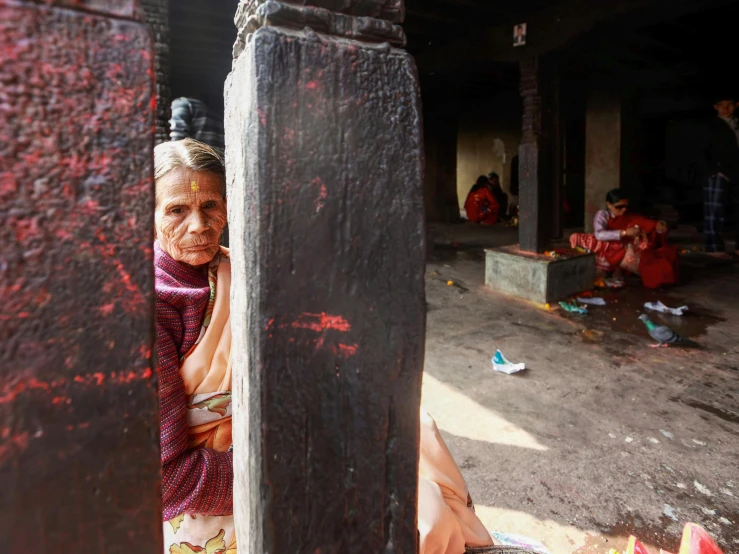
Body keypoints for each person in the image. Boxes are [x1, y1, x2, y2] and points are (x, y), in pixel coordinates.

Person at [154, 139, 511, 554]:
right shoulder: (151, 308)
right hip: (218, 489)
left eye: (211, 206)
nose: (198, 224)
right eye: (177, 210)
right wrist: (297, 472)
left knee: (412, 427)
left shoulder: (239, 267)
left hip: (272, 440)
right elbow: (168, 478)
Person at [569, 189, 679, 289]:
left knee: (648, 260)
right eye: (619, 207)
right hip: (605, 244)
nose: (623, 210)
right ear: (609, 205)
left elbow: (647, 223)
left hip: (623, 247)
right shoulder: (603, 214)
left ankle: (616, 269)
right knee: (576, 238)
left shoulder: (629, 216)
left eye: (626, 206)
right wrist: (624, 233)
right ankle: (603, 268)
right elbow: (599, 234)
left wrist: (659, 225)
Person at [699, 94, 739, 257]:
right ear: (715, 107)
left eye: (729, 104)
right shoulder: (710, 125)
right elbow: (699, 150)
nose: (725, 109)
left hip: (737, 171)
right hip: (718, 173)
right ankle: (713, 246)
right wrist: (714, 170)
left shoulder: (737, 124)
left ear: (736, 105)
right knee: (714, 210)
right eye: (721, 105)